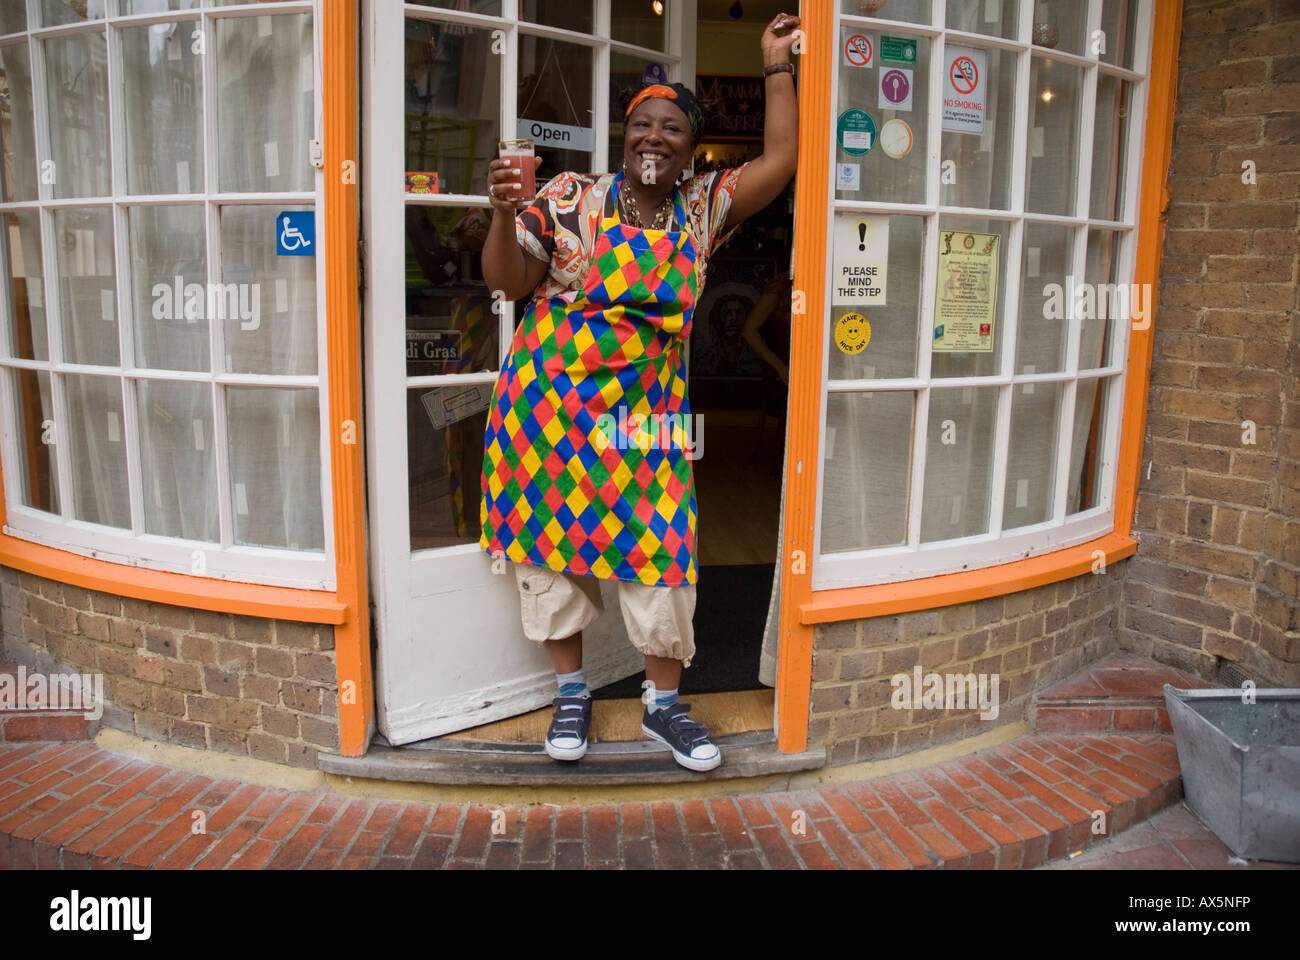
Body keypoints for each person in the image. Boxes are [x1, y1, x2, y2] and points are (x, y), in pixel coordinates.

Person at [478, 13, 800, 771]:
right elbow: (509, 280)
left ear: (691, 149)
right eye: (642, 126)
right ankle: (570, 695)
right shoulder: (565, 198)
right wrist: (499, 212)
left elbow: (783, 157)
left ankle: (661, 707)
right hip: (548, 414)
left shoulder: (703, 209)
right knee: (549, 552)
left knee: (661, 552)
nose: (655, 138)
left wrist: (775, 65)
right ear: (624, 137)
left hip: (646, 423)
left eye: (673, 129)